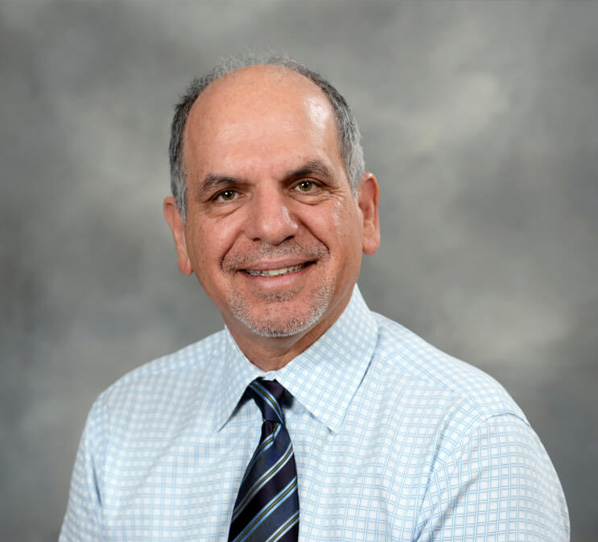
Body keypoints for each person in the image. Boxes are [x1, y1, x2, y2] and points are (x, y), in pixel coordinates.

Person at [60, 54, 570, 541]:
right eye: (227, 194)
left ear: (366, 213)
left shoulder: (472, 441)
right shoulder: (120, 426)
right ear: (182, 234)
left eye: (305, 184)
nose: (271, 226)